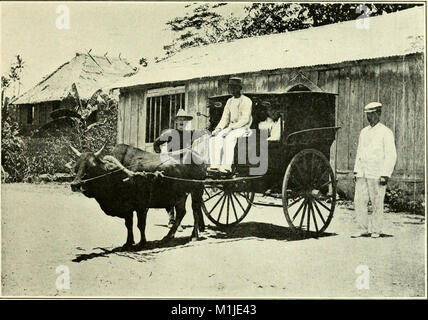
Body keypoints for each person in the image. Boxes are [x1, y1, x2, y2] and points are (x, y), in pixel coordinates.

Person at [351, 102, 397, 239]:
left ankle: (376, 229)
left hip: (377, 173)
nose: (369, 117)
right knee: (359, 201)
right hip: (363, 172)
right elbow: (360, 152)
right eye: (367, 114)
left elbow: (391, 155)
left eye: (371, 114)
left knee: (377, 201)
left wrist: (385, 174)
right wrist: (356, 171)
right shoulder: (364, 132)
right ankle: (362, 228)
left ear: (378, 113)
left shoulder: (386, 132)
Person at [208, 77, 253, 175]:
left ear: (239, 88)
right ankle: (214, 166)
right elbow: (225, 118)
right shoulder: (229, 101)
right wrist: (218, 129)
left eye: (234, 87)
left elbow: (245, 119)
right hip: (231, 127)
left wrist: (230, 128)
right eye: (230, 87)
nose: (232, 90)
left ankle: (226, 167)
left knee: (229, 138)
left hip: (243, 128)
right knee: (214, 138)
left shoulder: (246, 101)